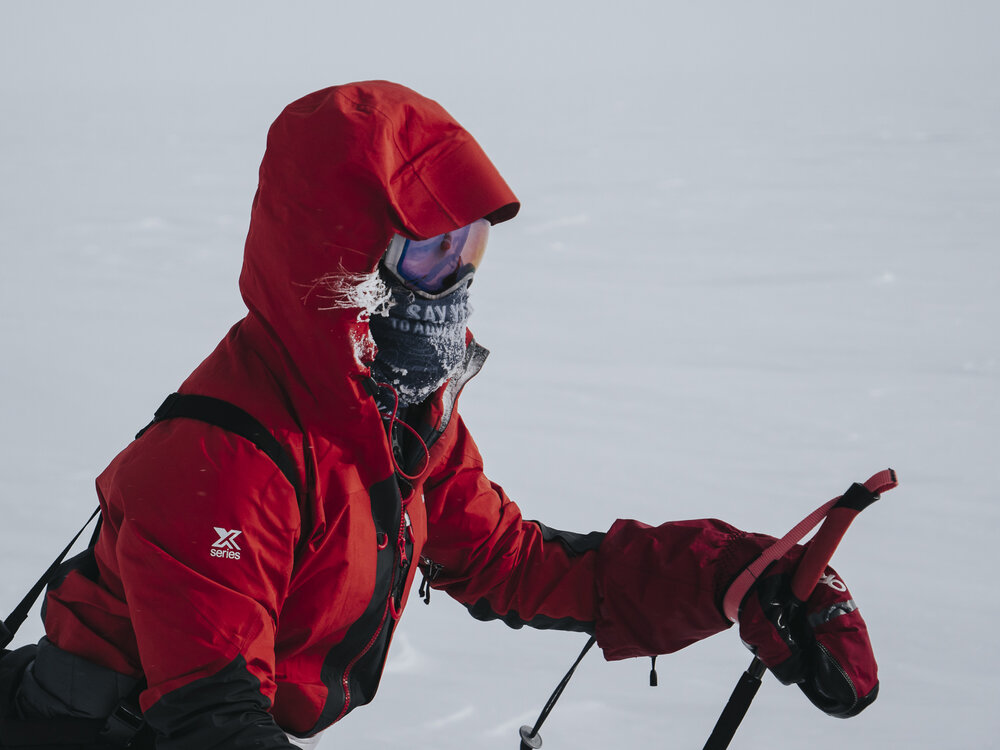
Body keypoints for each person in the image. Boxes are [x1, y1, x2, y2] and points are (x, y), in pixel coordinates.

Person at [0, 81, 879, 749]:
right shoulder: (223, 460)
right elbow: (211, 714)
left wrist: (733, 574)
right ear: (338, 251)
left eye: (471, 245)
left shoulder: (396, 414)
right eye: (429, 249)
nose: (457, 275)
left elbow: (511, 560)